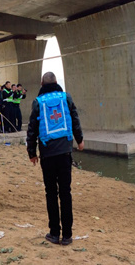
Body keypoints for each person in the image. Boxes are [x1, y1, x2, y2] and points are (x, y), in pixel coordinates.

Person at [27, 72, 84, 245]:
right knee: (65, 193)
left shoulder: (38, 102)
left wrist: (32, 152)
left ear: (41, 83)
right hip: (65, 152)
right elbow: (75, 119)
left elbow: (32, 128)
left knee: (51, 193)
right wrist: (79, 140)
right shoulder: (66, 98)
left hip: (47, 154)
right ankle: (67, 235)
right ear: (57, 82)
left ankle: (54, 233)